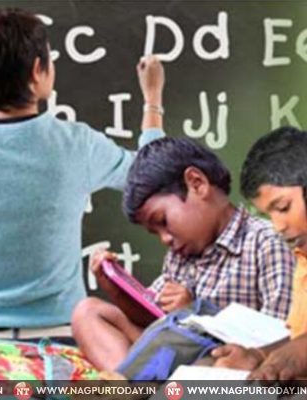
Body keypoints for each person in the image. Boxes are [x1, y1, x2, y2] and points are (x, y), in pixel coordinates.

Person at [0, 8, 165, 380]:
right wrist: (152, 98)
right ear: (38, 71)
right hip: (67, 344)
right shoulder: (75, 145)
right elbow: (152, 175)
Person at [72, 137, 294, 371]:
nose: (165, 239)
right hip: (171, 358)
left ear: (197, 184)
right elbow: (152, 321)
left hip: (224, 363)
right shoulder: (180, 256)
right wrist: (118, 292)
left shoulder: (267, 243)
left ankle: (137, 383)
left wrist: (194, 317)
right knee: (87, 312)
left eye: (163, 221)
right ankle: (131, 384)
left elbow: (281, 342)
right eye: (155, 232)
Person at [212, 126, 307, 381]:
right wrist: (258, 356)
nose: (278, 226)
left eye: (283, 207)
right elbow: (300, 336)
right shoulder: (302, 255)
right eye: (269, 214)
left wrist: (296, 354)